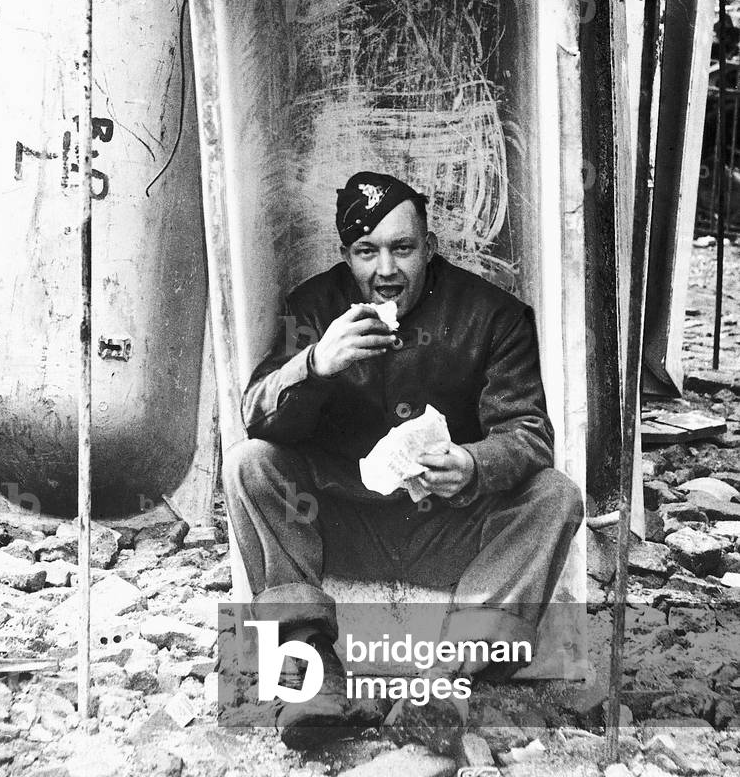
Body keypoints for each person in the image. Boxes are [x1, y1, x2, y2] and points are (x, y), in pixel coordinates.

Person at [223, 170, 583, 750]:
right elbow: (256, 415)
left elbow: (529, 432)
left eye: (403, 248)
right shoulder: (313, 306)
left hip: (447, 528)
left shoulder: (492, 314)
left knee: (555, 495)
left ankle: (443, 684)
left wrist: (473, 463)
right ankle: (310, 671)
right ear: (347, 254)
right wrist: (314, 364)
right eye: (367, 251)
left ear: (430, 246)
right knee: (248, 464)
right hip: (340, 524)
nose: (386, 269)